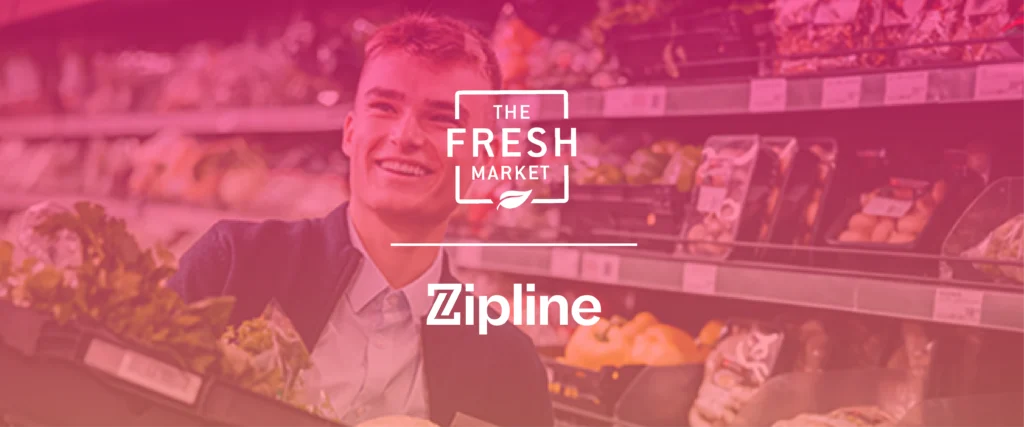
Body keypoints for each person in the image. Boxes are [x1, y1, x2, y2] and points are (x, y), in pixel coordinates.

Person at [167, 13, 554, 427]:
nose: (405, 135)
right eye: (384, 107)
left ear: (485, 158)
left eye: (443, 118)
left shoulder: (508, 368)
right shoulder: (234, 268)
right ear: (351, 132)